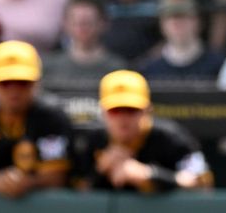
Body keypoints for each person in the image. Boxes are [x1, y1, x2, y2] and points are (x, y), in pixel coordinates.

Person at [72, 70, 213, 191]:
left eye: (131, 110)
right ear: (103, 113)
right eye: (115, 110)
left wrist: (149, 175)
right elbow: (75, 193)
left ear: (147, 110)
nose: (123, 118)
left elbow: (202, 183)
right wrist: (100, 170)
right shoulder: (90, 140)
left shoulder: (170, 137)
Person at [0, 41, 71, 198]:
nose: (14, 90)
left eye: (23, 82)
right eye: (5, 83)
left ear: (37, 82)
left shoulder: (51, 118)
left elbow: (56, 178)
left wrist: (27, 183)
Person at [141, 0, 224, 81]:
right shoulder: (150, 70)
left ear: (197, 20)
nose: (177, 22)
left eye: (184, 15)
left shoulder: (218, 65)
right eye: (171, 16)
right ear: (162, 23)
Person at [43, 0, 126, 87]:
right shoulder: (49, 66)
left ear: (103, 23)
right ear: (65, 24)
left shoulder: (117, 68)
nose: (82, 27)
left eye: (88, 22)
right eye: (76, 22)